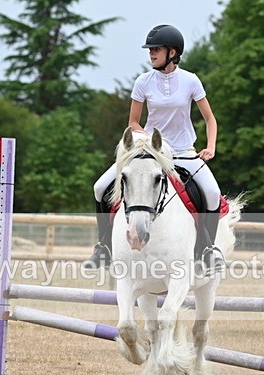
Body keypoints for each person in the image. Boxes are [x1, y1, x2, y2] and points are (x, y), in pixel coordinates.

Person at [82, 24, 225, 275]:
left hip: (182, 152)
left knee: (212, 193)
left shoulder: (191, 80)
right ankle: (103, 247)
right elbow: (134, 122)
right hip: (150, 153)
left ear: (173, 52)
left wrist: (210, 146)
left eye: (156, 50)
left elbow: (210, 119)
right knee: (99, 187)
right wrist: (145, 142)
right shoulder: (143, 82)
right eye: (150, 50)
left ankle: (207, 249)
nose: (151, 54)